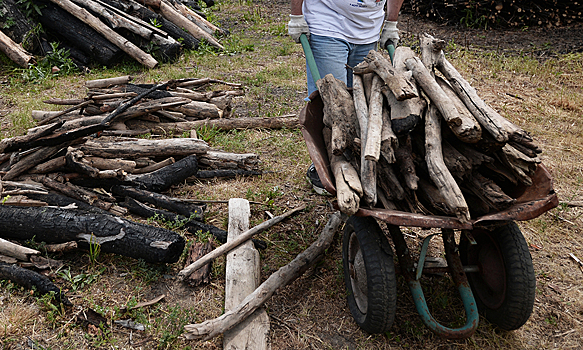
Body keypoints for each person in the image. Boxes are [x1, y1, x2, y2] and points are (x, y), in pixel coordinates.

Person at [288, 0, 404, 195]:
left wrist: (391, 22)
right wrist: (296, 16)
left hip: (368, 29)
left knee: (365, 102)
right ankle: (328, 163)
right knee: (332, 102)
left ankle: (360, 160)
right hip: (327, 22)